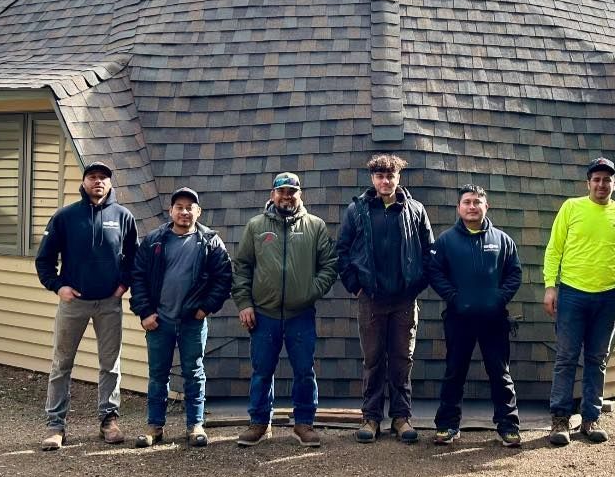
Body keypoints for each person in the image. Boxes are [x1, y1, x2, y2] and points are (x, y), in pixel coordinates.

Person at [543, 157, 615, 446]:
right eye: (597, 179)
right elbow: (554, 250)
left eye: (607, 179)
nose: (602, 184)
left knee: (596, 359)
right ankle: (560, 421)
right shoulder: (571, 208)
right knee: (565, 358)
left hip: (608, 297)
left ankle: (590, 419)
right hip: (573, 294)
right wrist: (550, 286)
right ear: (588, 183)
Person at [34, 161, 138, 451]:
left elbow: (133, 258)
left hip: (109, 303)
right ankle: (56, 426)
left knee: (110, 364)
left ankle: (109, 420)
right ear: (83, 182)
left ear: (110, 184)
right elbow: (44, 260)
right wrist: (58, 286)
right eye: (93, 177)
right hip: (74, 303)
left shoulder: (123, 217)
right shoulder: (65, 217)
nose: (98, 182)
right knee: (61, 364)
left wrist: (123, 285)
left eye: (103, 177)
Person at [231, 172, 339, 448]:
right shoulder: (256, 227)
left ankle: (303, 423)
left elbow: (329, 265)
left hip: (300, 315)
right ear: (272, 195)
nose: (287, 196)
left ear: (300, 195)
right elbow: (241, 267)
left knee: (304, 371)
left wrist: (310, 291)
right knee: (262, 370)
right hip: (264, 314)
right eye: (282, 191)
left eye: (292, 192)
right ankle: (259, 423)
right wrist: (244, 304)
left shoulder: (315, 226)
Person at [336, 154, 434, 444]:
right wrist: (357, 287)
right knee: (374, 360)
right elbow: (342, 251)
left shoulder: (415, 210)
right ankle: (371, 418)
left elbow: (429, 252)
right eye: (380, 176)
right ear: (372, 179)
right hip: (371, 299)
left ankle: (402, 419)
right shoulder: (357, 210)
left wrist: (415, 286)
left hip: (404, 300)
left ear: (398, 178)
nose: (385, 181)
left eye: (390, 176)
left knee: (402, 360)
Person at [129, 187, 232, 448]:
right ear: (171, 211)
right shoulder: (153, 240)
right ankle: (155, 426)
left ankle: (195, 425)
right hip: (158, 320)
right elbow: (138, 277)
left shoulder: (210, 241)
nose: (185, 212)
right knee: (157, 375)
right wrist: (145, 312)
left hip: (192, 321)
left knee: (194, 372)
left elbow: (223, 278)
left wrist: (205, 308)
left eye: (190, 208)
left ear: (198, 212)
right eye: (180, 207)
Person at [427, 185, 524, 447]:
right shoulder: (446, 241)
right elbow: (435, 273)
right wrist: (455, 298)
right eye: (467, 202)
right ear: (459, 207)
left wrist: (499, 298)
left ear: (486, 206)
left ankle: (508, 426)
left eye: (477, 202)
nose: (472, 206)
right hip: (459, 318)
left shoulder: (503, 240)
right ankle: (447, 425)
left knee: (500, 373)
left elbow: (515, 273)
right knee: (454, 372)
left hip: (494, 319)